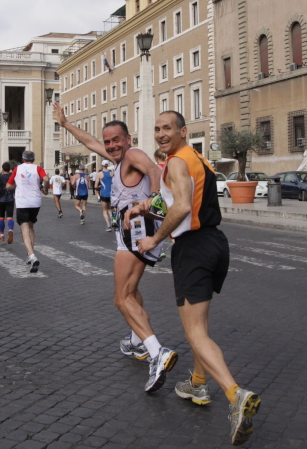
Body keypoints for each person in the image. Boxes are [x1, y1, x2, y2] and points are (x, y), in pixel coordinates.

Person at [124, 111, 261, 446]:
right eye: (157, 129)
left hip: (194, 248)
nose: (161, 134)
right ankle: (198, 382)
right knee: (199, 323)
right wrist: (145, 208)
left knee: (194, 332)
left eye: (167, 128)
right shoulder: (197, 159)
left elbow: (183, 207)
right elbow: (182, 203)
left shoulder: (175, 162)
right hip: (215, 243)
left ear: (183, 131)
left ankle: (235, 395)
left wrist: (153, 240)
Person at [54, 101, 176, 393]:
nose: (110, 146)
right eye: (108, 142)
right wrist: (66, 124)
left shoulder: (133, 154)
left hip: (136, 228)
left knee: (121, 299)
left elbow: (154, 170)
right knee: (131, 292)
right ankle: (136, 341)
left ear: (128, 139)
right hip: (131, 228)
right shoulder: (118, 158)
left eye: (116, 140)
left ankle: (157, 352)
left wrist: (153, 198)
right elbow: (90, 142)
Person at [6, 151, 49, 273]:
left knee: (24, 229)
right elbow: (46, 179)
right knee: (31, 226)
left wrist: (17, 185)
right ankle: (30, 253)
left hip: (22, 202)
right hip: (35, 201)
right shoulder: (38, 168)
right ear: (33, 159)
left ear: (23, 159)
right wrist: (45, 189)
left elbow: (8, 186)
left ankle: (32, 256)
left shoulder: (17, 169)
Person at [0, 162, 15, 243]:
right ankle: (10, 230)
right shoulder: (12, 177)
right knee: (9, 217)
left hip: (2, 199)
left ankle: (1, 235)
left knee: (1, 217)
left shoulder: (0, 177)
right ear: (9, 169)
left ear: (2, 169)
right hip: (10, 199)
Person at [95, 160, 114, 232]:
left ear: (102, 165)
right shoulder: (111, 173)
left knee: (105, 210)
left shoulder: (99, 174)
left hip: (104, 194)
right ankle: (113, 221)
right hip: (111, 194)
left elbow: (96, 186)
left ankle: (108, 225)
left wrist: (99, 186)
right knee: (109, 209)